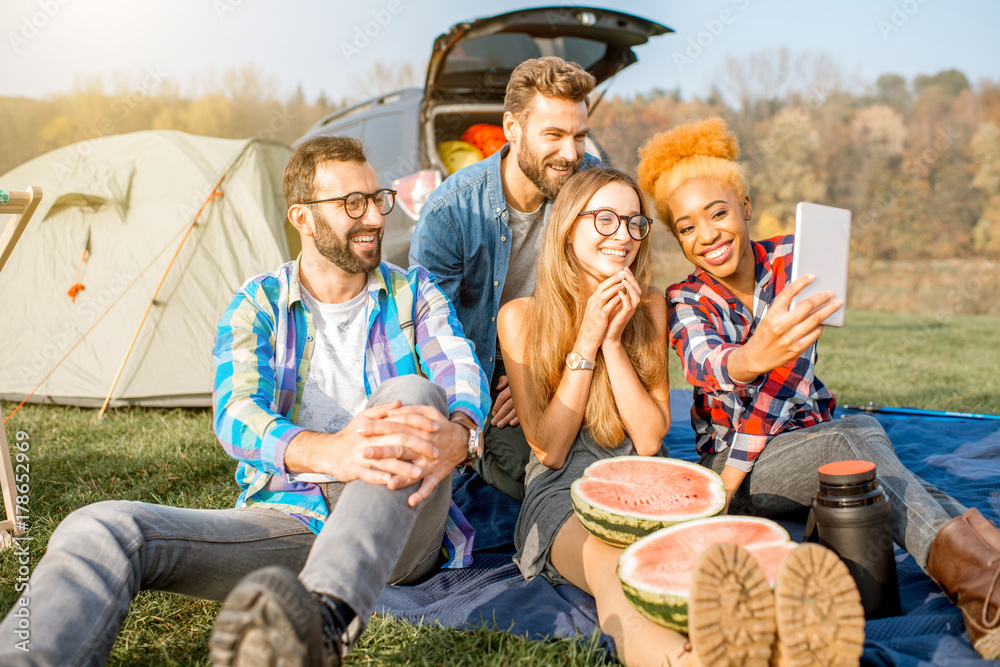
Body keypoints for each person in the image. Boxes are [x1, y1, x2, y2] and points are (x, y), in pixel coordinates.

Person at [0, 136, 490, 667]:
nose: (374, 216)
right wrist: (333, 453)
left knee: (413, 394)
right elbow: (235, 415)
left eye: (378, 198)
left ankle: (323, 616)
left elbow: (460, 367)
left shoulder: (414, 292)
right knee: (100, 527)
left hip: (400, 524)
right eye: (353, 203)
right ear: (302, 217)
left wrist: (462, 431)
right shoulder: (258, 302)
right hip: (290, 518)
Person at [637, 117, 1000, 660]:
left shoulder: (795, 260)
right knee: (852, 438)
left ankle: (989, 571)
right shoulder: (686, 299)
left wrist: (767, 356)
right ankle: (983, 590)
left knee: (861, 447)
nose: (707, 235)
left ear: (745, 206)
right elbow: (707, 366)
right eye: (686, 227)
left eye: (718, 213)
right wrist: (731, 473)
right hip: (739, 467)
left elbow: (790, 373)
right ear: (677, 237)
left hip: (813, 434)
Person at [497, 166, 862, 666]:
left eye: (633, 223)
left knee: (699, 571)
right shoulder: (520, 317)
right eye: (605, 220)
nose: (622, 236)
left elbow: (648, 439)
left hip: (654, 481)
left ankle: (783, 644)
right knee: (617, 575)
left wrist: (611, 343)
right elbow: (550, 448)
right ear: (567, 226)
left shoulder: (649, 306)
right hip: (563, 490)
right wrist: (586, 338)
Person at [410, 56, 602, 500]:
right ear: (512, 128)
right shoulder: (451, 212)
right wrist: (509, 386)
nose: (571, 153)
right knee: (543, 472)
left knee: (615, 452)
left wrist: (542, 378)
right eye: (553, 135)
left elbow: (610, 287)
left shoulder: (591, 185)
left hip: (569, 356)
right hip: (484, 374)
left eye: (579, 136)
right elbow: (430, 336)